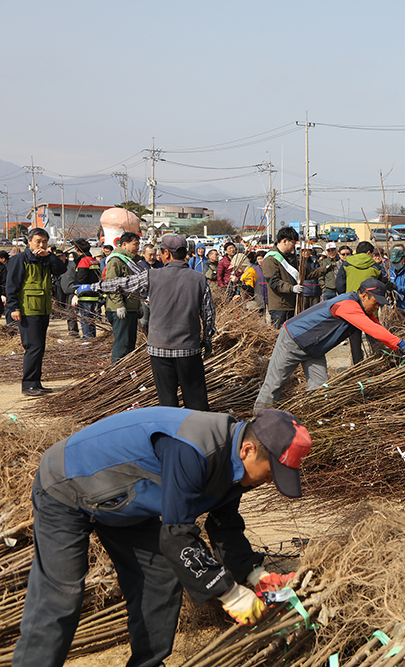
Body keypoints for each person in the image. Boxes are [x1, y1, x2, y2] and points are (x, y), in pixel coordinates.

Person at [14, 407, 312, 666]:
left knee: (160, 575)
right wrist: (230, 595)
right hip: (68, 484)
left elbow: (224, 523)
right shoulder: (193, 449)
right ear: (248, 449)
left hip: (123, 501)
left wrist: (253, 573)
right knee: (61, 596)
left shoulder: (237, 467)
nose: (269, 481)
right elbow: (177, 536)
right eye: (271, 472)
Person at [83, 234, 216, 409]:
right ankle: (198, 434)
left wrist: (91, 287)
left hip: (159, 348)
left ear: (166, 254)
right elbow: (208, 315)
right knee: (196, 400)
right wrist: (207, 340)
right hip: (188, 349)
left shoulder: (151, 276)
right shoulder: (199, 279)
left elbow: (121, 284)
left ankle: (169, 432)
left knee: (167, 400)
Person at [254, 278, 405, 409]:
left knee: (319, 387)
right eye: (375, 302)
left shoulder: (363, 309)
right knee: (275, 383)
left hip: (314, 348)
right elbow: (372, 329)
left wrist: (397, 347)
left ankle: (312, 418)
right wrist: (401, 344)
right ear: (364, 295)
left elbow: (377, 327)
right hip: (293, 340)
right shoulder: (347, 305)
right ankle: (258, 421)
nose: (376, 307)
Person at [4, 228, 66, 396]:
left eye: (45, 242)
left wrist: (50, 256)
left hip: (43, 309)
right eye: (38, 241)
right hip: (26, 310)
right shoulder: (19, 259)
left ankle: (36, 383)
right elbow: (11, 286)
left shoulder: (45, 260)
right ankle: (29, 384)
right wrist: (13, 308)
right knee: (33, 346)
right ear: (29, 241)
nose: (41, 245)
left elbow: (61, 270)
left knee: (39, 347)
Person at [104, 231, 142, 362]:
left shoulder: (130, 261)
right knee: (122, 345)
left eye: (138, 244)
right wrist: (119, 305)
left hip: (131, 308)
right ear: (124, 244)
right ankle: (117, 372)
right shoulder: (116, 260)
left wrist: (138, 305)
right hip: (120, 309)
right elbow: (111, 284)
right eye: (135, 244)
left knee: (130, 344)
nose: (138, 247)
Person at [261, 227, 303, 327]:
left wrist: (324, 269)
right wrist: (291, 288)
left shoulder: (289, 257)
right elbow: (274, 282)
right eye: (293, 242)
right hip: (279, 306)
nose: (294, 245)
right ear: (285, 241)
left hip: (291, 304)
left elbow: (301, 273)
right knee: (279, 336)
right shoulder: (271, 259)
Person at [72, 239, 102, 339]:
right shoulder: (93, 260)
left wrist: (76, 294)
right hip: (94, 293)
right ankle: (92, 339)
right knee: (91, 320)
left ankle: (88, 339)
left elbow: (80, 279)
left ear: (77, 250)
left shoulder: (83, 261)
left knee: (85, 319)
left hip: (85, 295)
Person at [57, 248, 80, 337]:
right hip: (62, 292)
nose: (59, 259)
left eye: (60, 257)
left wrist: (76, 292)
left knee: (71, 311)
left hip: (72, 292)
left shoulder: (72, 265)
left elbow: (78, 277)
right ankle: (71, 329)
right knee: (66, 311)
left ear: (64, 256)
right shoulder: (57, 266)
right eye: (57, 257)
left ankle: (73, 331)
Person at [388, 244, 405, 321]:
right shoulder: (390, 271)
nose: (395, 264)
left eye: (397, 261)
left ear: (403, 259)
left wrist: (395, 287)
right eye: (393, 262)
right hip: (392, 308)